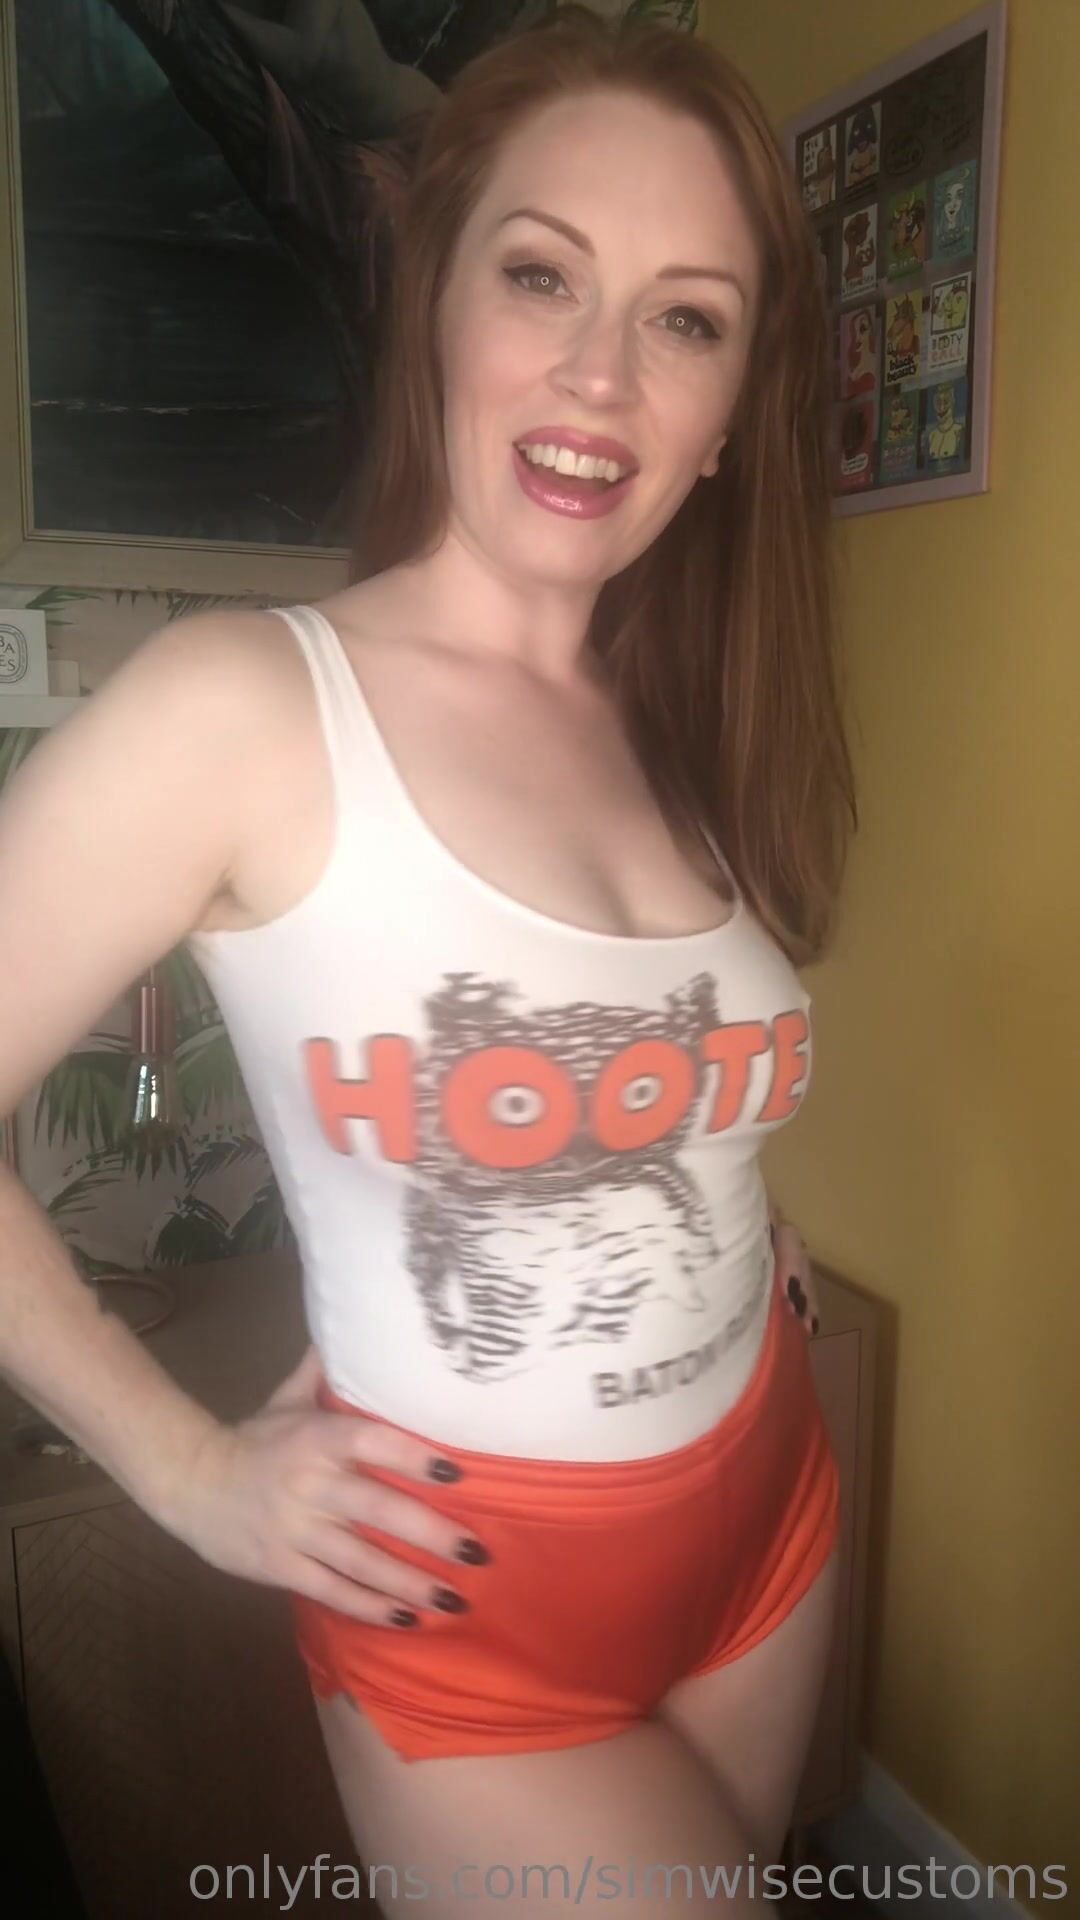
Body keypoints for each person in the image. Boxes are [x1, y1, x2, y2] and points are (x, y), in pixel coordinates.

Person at [0, 8, 856, 1914]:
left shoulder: (676, 721)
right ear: (438, 299)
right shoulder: (244, 708)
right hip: (473, 1616)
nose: (600, 374)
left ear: (730, 414)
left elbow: (651, 1065)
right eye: (543, 276)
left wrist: (740, 1215)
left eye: (686, 319)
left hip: (771, 1499)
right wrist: (181, 1469)